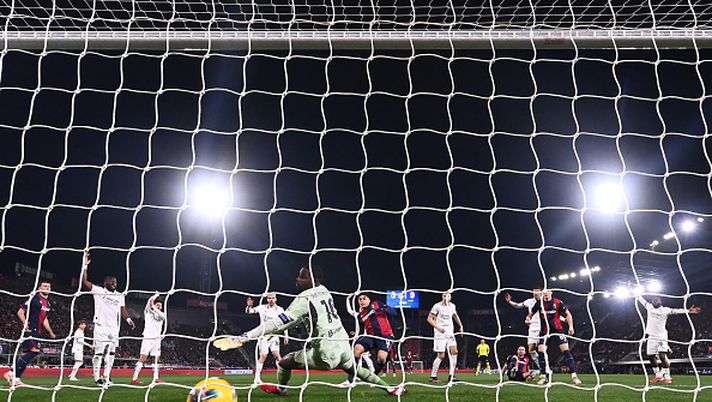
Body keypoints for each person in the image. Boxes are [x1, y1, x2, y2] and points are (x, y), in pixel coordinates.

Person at [213, 265, 405, 396]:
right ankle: (390, 389)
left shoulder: (304, 299)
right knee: (356, 369)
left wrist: (245, 337)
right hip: (342, 343)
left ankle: (281, 390)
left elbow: (278, 322)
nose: (297, 279)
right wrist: (278, 331)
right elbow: (289, 323)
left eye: (302, 276)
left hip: (326, 353)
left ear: (311, 279)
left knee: (284, 363)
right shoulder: (324, 289)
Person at [81, 253, 135, 386]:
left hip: (114, 328)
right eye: (112, 282)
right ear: (106, 283)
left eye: (115, 282)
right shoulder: (99, 290)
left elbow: (122, 309)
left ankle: (107, 376)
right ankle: (96, 377)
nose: (114, 284)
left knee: (111, 353)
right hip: (101, 326)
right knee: (99, 353)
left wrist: (128, 320)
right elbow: (85, 282)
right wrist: (84, 266)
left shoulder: (119, 295)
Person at [3, 281, 57, 387]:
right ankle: (11, 373)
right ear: (39, 288)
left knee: (30, 353)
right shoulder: (34, 298)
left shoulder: (48, 303)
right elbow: (20, 312)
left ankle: (16, 378)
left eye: (49, 286)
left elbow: (44, 318)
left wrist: (50, 332)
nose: (47, 288)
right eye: (44, 286)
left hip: (38, 331)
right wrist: (25, 323)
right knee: (34, 351)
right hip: (30, 329)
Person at [636, 295, 701, 384]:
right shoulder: (649, 307)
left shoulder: (665, 310)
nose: (656, 300)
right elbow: (641, 299)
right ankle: (658, 375)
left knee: (662, 355)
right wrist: (636, 292)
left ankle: (667, 376)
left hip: (661, 336)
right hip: (651, 336)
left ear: (660, 302)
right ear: (652, 302)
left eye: (657, 299)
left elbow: (676, 311)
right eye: (654, 300)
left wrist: (688, 311)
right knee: (650, 356)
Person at [527, 290, 581, 385]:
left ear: (551, 292)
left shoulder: (558, 302)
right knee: (541, 351)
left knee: (566, 351)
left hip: (557, 330)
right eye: (544, 292)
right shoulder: (539, 303)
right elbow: (530, 314)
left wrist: (571, 327)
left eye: (547, 292)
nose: (546, 294)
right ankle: (544, 376)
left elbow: (568, 314)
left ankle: (574, 376)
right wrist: (528, 319)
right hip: (544, 331)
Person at [346, 292, 397, 383]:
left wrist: (380, 309)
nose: (362, 301)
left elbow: (394, 312)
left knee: (381, 358)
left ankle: (373, 377)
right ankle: (350, 380)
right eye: (360, 299)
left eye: (364, 298)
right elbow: (361, 321)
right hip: (371, 337)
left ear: (369, 300)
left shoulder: (377, 304)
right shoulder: (361, 313)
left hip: (385, 336)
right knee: (357, 349)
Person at [245, 293, 288, 383]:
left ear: (276, 299)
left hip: (275, 335)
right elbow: (249, 312)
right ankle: (257, 378)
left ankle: (282, 376)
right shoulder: (262, 308)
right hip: (263, 336)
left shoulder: (280, 310)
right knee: (263, 356)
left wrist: (286, 335)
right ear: (267, 299)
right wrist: (249, 306)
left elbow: (285, 323)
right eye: (269, 298)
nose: (271, 300)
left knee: (277, 356)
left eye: (273, 298)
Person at [427, 292, 464, 383]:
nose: (446, 297)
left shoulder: (452, 306)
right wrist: (438, 327)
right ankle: (433, 376)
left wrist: (461, 326)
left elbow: (455, 316)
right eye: (444, 295)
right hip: (439, 333)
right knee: (441, 355)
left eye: (448, 295)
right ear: (442, 297)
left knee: (454, 351)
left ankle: (451, 375)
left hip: (450, 332)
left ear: (450, 297)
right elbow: (429, 319)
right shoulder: (437, 306)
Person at [504, 289, 543, 372]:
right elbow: (518, 305)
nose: (535, 292)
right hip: (532, 328)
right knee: (531, 350)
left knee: (542, 349)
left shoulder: (544, 302)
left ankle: (545, 369)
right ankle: (542, 368)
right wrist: (510, 301)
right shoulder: (529, 301)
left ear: (541, 292)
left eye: (537, 291)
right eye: (534, 291)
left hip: (543, 328)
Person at [131, 293, 166, 384]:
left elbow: (163, 317)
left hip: (157, 340)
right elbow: (148, 303)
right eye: (157, 305)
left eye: (160, 306)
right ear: (154, 305)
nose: (159, 307)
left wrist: (153, 306)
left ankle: (156, 378)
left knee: (156, 359)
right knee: (143, 358)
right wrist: (154, 296)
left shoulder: (162, 315)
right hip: (148, 338)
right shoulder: (148, 312)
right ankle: (134, 378)